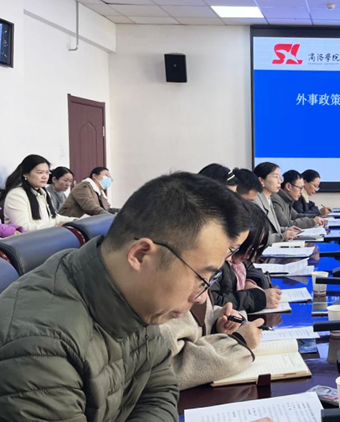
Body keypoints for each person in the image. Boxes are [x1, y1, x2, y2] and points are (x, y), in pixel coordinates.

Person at [0, 172, 251, 420]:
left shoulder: (136, 297)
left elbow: (160, 392)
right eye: (200, 278)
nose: (201, 297)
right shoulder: (39, 348)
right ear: (141, 255)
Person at [161, 206, 265, 390]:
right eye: (231, 248)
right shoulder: (163, 298)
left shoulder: (198, 269)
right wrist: (237, 343)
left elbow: (200, 320)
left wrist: (218, 321)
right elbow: (171, 369)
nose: (229, 258)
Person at [210, 202, 282, 314]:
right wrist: (257, 299)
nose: (251, 255)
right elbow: (213, 301)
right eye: (250, 247)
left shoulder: (239, 259)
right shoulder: (216, 262)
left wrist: (250, 283)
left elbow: (253, 270)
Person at [0, 154, 76, 232]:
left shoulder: (44, 193)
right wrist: (55, 226)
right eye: (40, 172)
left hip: (45, 236)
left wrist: (74, 221)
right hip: (28, 239)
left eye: (47, 173)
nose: (45, 177)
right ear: (25, 174)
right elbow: (22, 228)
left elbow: (54, 218)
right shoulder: (16, 195)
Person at [253, 162, 300, 244]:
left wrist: (286, 230)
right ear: (261, 180)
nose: (280, 181)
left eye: (280, 177)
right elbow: (256, 237)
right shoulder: (255, 202)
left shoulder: (268, 199)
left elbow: (272, 229)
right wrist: (282, 236)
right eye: (275, 177)